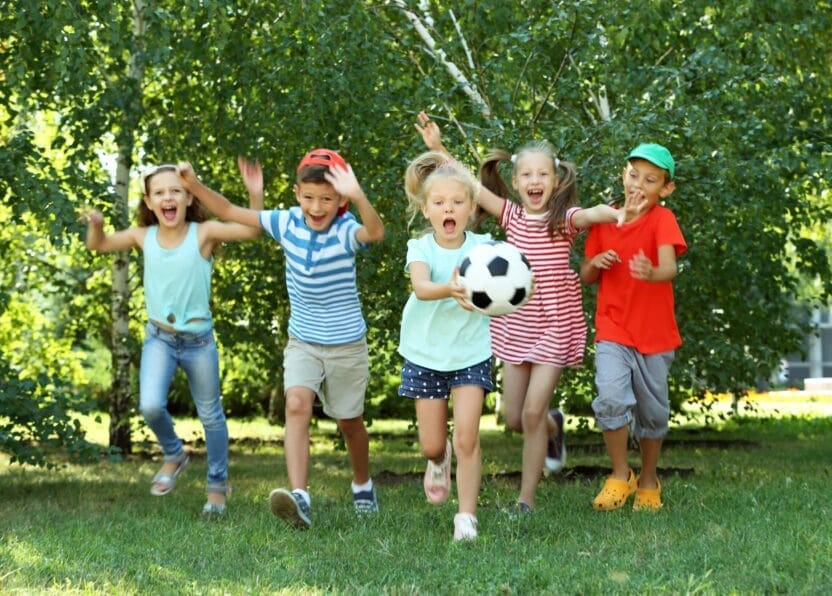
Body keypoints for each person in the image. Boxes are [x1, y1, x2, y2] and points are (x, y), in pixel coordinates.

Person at [416, 112, 624, 511]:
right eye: (526, 175)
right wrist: (439, 150)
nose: (534, 182)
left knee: (530, 412)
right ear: (515, 182)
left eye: (542, 175)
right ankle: (553, 426)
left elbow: (591, 213)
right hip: (517, 324)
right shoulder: (510, 215)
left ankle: (525, 501)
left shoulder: (564, 220)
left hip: (556, 324)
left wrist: (612, 213)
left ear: (556, 180)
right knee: (515, 418)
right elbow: (470, 184)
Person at [179, 149, 385, 528]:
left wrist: (358, 195)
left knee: (349, 422)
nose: (316, 206)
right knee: (296, 403)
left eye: (326, 199)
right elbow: (228, 211)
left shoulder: (345, 230)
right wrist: (193, 185)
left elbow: (376, 232)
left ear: (340, 200)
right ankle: (300, 496)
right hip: (303, 340)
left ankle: (362, 484)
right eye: (308, 197)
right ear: (295, 194)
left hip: (345, 344)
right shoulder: (287, 222)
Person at [85, 161, 263, 517]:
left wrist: (255, 194)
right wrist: (97, 225)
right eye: (160, 192)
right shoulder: (142, 236)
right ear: (149, 202)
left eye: (176, 190)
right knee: (150, 405)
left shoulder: (204, 232)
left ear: (187, 197)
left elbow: (253, 231)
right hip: (159, 340)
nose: (168, 197)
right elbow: (98, 245)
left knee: (211, 416)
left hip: (199, 342)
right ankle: (174, 453)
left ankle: (217, 486)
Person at [580, 143, 686, 512]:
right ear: (623, 175)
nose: (639, 184)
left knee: (653, 415)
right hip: (613, 329)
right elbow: (586, 274)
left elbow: (670, 267)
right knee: (610, 398)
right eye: (633, 174)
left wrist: (651, 272)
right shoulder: (604, 218)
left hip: (655, 336)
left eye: (651, 179)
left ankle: (648, 479)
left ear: (665, 189)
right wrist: (597, 261)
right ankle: (620, 474)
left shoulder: (663, 220)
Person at [399, 151, 494, 540]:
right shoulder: (420, 248)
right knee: (433, 444)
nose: (448, 208)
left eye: (457, 202)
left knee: (467, 437)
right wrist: (450, 288)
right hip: (424, 354)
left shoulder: (485, 247)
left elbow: (510, 289)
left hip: (471, 352)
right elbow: (421, 288)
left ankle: (466, 518)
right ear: (426, 209)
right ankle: (439, 461)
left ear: (471, 208)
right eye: (439, 203)